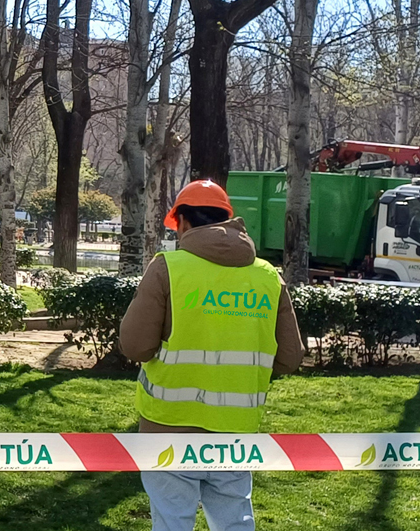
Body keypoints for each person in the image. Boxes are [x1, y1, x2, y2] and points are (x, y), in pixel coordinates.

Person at [119, 179, 305, 531]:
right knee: (235, 523)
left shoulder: (168, 268)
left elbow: (135, 346)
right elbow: (289, 358)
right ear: (228, 220)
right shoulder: (267, 277)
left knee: (172, 524)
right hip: (236, 434)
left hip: (167, 431)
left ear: (183, 222)